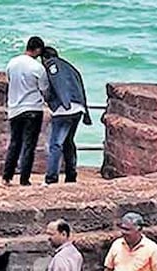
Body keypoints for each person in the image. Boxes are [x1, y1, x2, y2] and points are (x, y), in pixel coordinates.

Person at [40, 46, 92, 185]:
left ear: (44, 58)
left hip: (63, 110)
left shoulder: (50, 66)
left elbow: (47, 88)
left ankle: (51, 178)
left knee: (55, 144)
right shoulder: (69, 67)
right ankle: (71, 175)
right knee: (68, 142)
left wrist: (52, 101)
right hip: (78, 108)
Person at [2, 36, 48, 187]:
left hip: (14, 108)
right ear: (38, 50)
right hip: (33, 108)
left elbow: (9, 80)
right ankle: (24, 179)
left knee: (14, 143)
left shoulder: (12, 63)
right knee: (29, 145)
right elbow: (44, 89)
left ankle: (7, 177)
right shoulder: (38, 68)